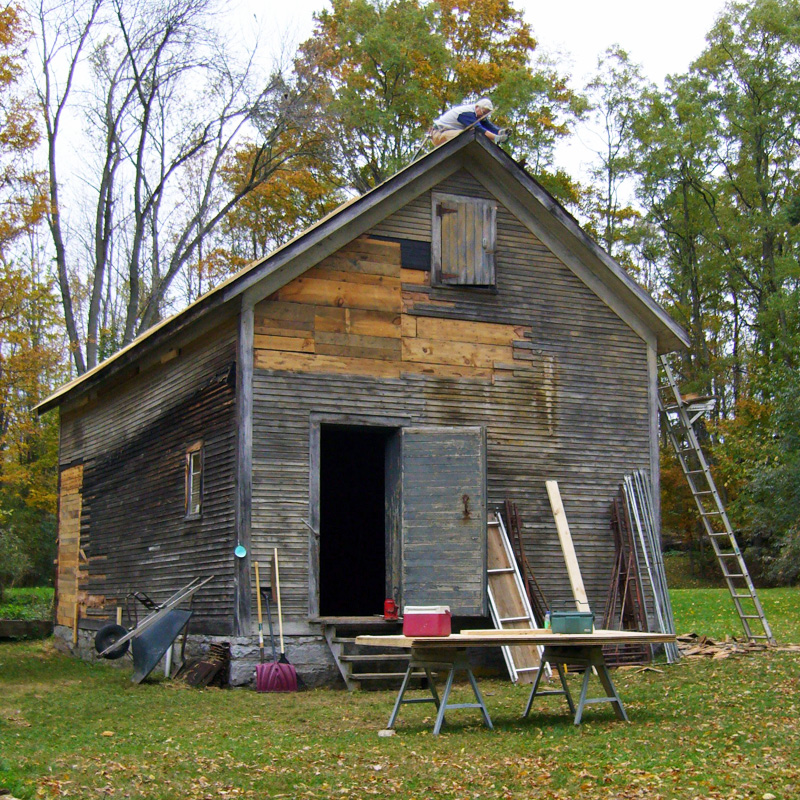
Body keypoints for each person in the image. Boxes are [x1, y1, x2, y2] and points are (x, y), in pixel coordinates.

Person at [430, 98, 508, 146]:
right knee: (469, 134)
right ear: (477, 107)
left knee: (471, 134)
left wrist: (500, 132)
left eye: (486, 114)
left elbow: (487, 125)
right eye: (484, 113)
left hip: (447, 132)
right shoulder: (467, 114)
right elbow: (480, 129)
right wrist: (496, 138)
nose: (484, 116)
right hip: (438, 134)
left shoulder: (478, 114)